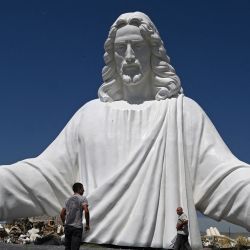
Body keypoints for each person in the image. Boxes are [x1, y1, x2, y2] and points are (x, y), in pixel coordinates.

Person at [1, 11, 250, 249]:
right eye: (121, 49)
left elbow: (224, 181)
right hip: (92, 242)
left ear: (153, 52)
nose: (129, 56)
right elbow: (44, 178)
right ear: (112, 56)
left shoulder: (183, 114)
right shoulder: (89, 115)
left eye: (138, 47)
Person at [60, 182, 90, 250]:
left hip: (68, 227)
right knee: (75, 248)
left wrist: (64, 224)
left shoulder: (67, 200)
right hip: (77, 227)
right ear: (79, 189)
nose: (83, 190)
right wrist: (87, 224)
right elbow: (86, 211)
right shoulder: (83, 199)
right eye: (82, 189)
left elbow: (62, 214)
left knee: (67, 247)